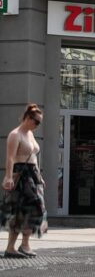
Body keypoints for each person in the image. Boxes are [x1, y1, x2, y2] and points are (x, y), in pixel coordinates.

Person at [1, 104, 47, 258]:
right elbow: (10, 158)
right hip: (22, 176)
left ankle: (25, 244)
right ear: (28, 118)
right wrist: (8, 176)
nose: (37, 125)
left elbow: (34, 156)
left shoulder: (30, 134)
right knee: (20, 211)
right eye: (36, 122)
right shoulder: (15, 134)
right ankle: (11, 247)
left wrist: (39, 176)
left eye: (39, 122)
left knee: (36, 209)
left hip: (33, 175)